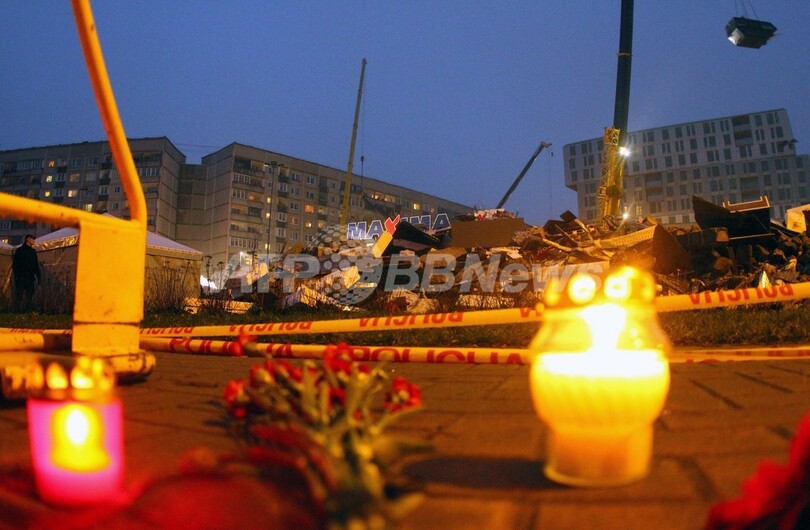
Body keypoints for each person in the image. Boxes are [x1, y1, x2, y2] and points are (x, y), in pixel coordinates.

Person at [12, 234, 40, 311]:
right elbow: (15, 264)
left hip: (30, 277)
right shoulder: (20, 251)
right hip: (21, 276)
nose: (34, 241)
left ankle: (27, 309)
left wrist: (38, 276)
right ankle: (17, 310)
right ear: (28, 239)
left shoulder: (33, 252)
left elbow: (36, 265)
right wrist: (17, 276)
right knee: (19, 294)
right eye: (32, 239)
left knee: (29, 294)